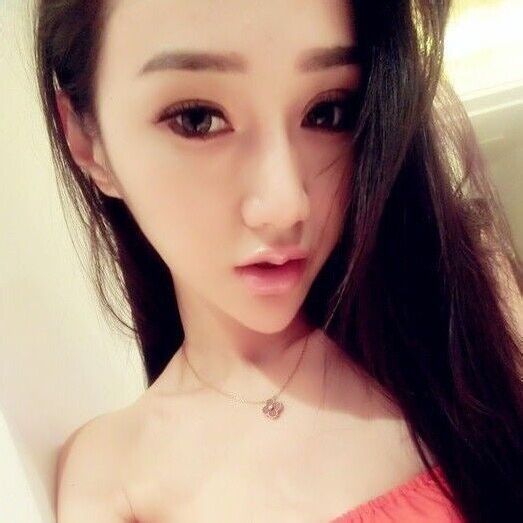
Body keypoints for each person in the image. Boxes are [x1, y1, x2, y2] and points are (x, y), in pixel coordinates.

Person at [32, 0, 522, 521]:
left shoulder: (464, 323)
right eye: (197, 119)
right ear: (87, 142)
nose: (286, 205)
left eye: (328, 112)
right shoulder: (113, 476)